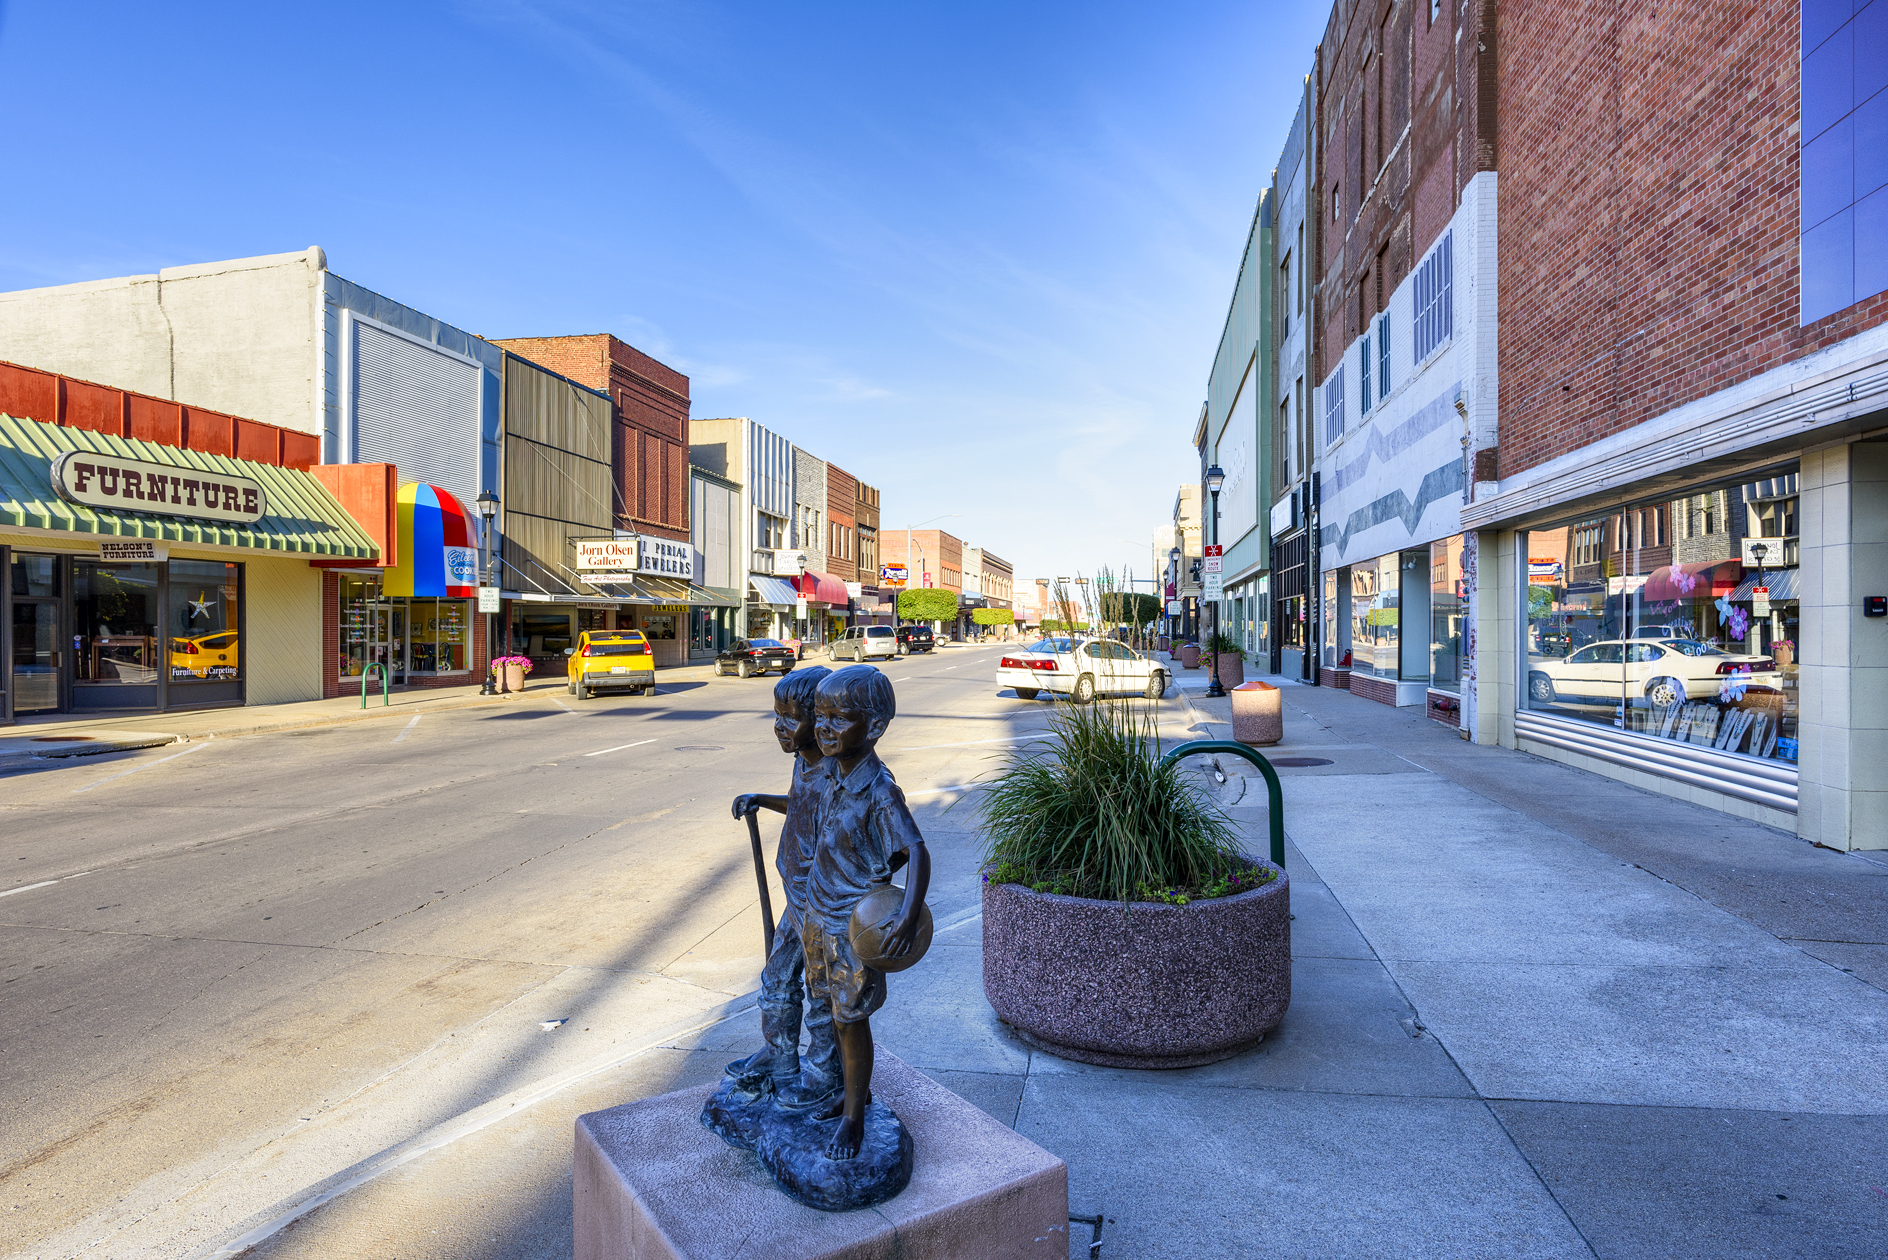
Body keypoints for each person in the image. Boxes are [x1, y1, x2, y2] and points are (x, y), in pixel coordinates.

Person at [803, 666, 930, 1159]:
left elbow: (916, 852)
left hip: (852, 926)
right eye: (820, 716)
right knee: (834, 1015)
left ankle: (854, 1117)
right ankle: (851, 1092)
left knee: (851, 1020)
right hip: (820, 911)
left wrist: (907, 915)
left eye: (838, 718)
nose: (824, 727)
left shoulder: (879, 790)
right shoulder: (834, 772)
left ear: (874, 727)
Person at [728, 665, 838, 1110]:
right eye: (777, 715)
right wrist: (763, 800)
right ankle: (779, 1058)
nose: (780, 727)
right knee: (776, 980)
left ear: (823, 719)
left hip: (821, 905)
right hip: (796, 898)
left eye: (791, 718)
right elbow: (799, 803)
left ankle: (825, 1073)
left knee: (822, 993)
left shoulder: (838, 774)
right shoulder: (804, 762)